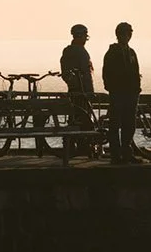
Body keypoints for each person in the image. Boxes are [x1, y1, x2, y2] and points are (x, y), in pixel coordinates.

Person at [102, 21, 142, 163]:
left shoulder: (131, 52)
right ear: (119, 35)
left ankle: (126, 152)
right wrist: (113, 88)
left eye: (130, 32)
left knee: (129, 124)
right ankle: (116, 154)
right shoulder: (112, 53)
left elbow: (136, 71)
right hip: (118, 94)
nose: (129, 35)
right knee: (115, 124)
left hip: (131, 93)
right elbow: (106, 73)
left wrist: (137, 88)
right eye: (126, 33)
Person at [59, 23, 96, 153]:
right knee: (83, 119)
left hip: (73, 90)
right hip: (82, 92)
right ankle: (84, 146)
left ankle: (76, 145)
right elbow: (86, 75)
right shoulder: (81, 52)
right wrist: (90, 92)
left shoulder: (67, 51)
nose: (86, 39)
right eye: (85, 36)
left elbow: (65, 73)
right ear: (80, 36)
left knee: (75, 118)